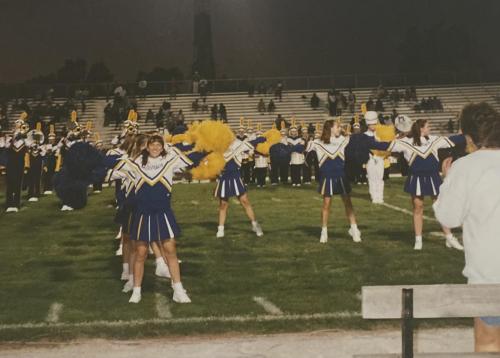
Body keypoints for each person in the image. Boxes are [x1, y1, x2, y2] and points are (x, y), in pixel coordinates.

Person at [433, 103, 500, 352]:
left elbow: (448, 218)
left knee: (489, 343)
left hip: (489, 274)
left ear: (468, 135)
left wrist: (446, 181)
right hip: (489, 273)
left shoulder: (466, 166)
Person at [111, 135, 204, 304]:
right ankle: (137, 290)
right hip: (142, 213)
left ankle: (178, 289)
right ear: (147, 146)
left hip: (163, 213)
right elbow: (112, 166)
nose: (155, 148)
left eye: (158, 145)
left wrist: (210, 148)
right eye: (152, 145)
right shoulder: (137, 162)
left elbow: (192, 159)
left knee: (170, 250)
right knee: (141, 253)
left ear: (162, 147)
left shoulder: (170, 160)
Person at [386, 118, 464, 250]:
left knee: (440, 207)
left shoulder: (433, 140)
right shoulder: (405, 142)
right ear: (421, 129)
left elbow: (454, 140)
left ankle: (449, 237)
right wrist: (364, 141)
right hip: (416, 178)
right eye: (428, 126)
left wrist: (469, 133)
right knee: (418, 208)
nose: (430, 128)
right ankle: (418, 240)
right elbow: (384, 145)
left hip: (433, 177)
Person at [307, 119, 389, 243]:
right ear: (330, 129)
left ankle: (354, 229)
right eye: (337, 127)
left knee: (348, 204)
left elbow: (360, 141)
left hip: (341, 175)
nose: (340, 128)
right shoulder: (318, 142)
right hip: (327, 176)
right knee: (326, 205)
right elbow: (307, 156)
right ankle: (324, 231)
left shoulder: (344, 140)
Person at [215, 132, 265, 238]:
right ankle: (221, 228)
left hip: (235, 176)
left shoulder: (238, 145)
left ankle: (255, 225)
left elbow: (252, 143)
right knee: (223, 204)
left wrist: (263, 138)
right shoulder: (218, 147)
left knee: (245, 201)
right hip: (224, 178)